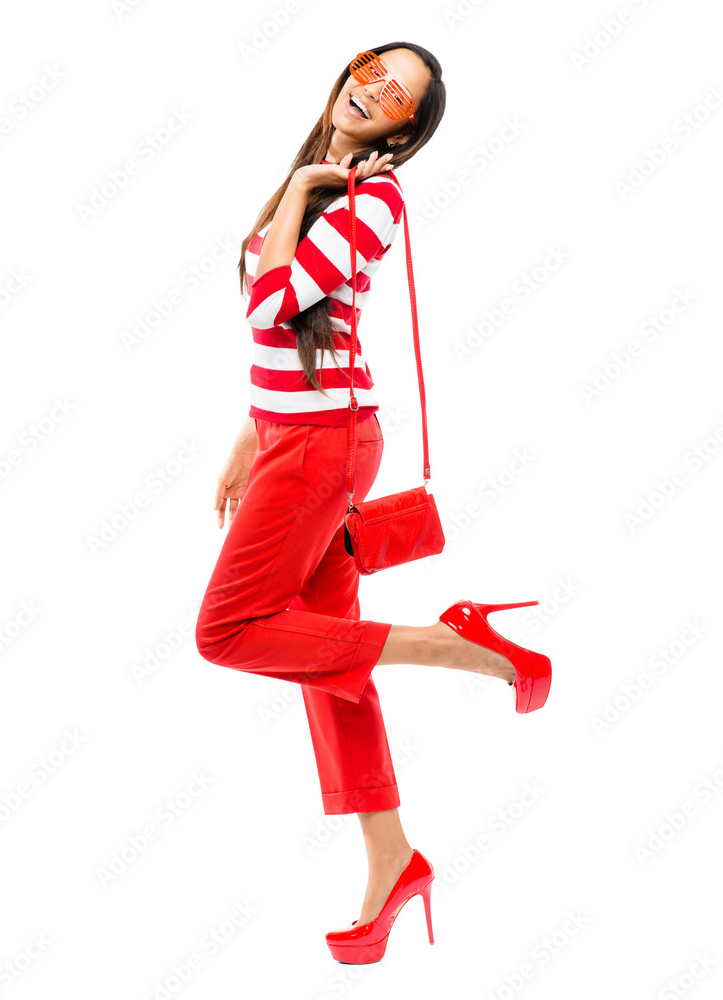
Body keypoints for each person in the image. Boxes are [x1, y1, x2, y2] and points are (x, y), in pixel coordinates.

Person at [195, 42, 552, 964]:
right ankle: (391, 858)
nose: (372, 90)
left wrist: (307, 185)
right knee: (326, 661)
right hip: (294, 432)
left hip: (324, 447)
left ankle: (452, 646)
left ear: (405, 127)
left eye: (396, 94)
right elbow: (312, 323)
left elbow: (274, 300)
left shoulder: (370, 196)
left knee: (227, 630)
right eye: (370, 70)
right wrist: (252, 428)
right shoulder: (320, 179)